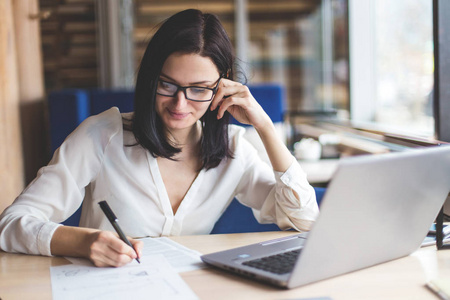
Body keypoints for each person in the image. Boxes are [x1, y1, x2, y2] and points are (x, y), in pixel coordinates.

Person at [0, 9, 319, 267]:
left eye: (198, 90)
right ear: (151, 78)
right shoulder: (102, 135)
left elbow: (304, 220)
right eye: (168, 85)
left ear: (220, 90)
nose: (180, 105)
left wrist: (264, 126)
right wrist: (84, 242)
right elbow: (10, 225)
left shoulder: (234, 148)